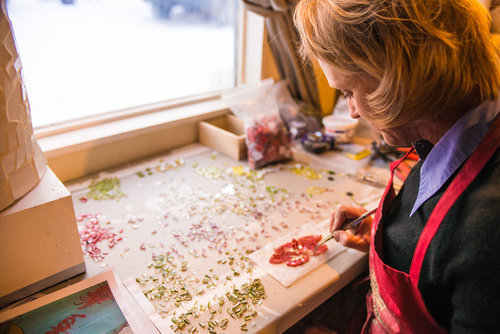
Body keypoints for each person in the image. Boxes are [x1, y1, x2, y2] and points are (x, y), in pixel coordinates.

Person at [293, 0, 500, 333]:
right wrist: (393, 236)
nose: (352, 113)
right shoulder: (455, 133)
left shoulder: (486, 233)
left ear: (402, 77)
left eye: (348, 91)